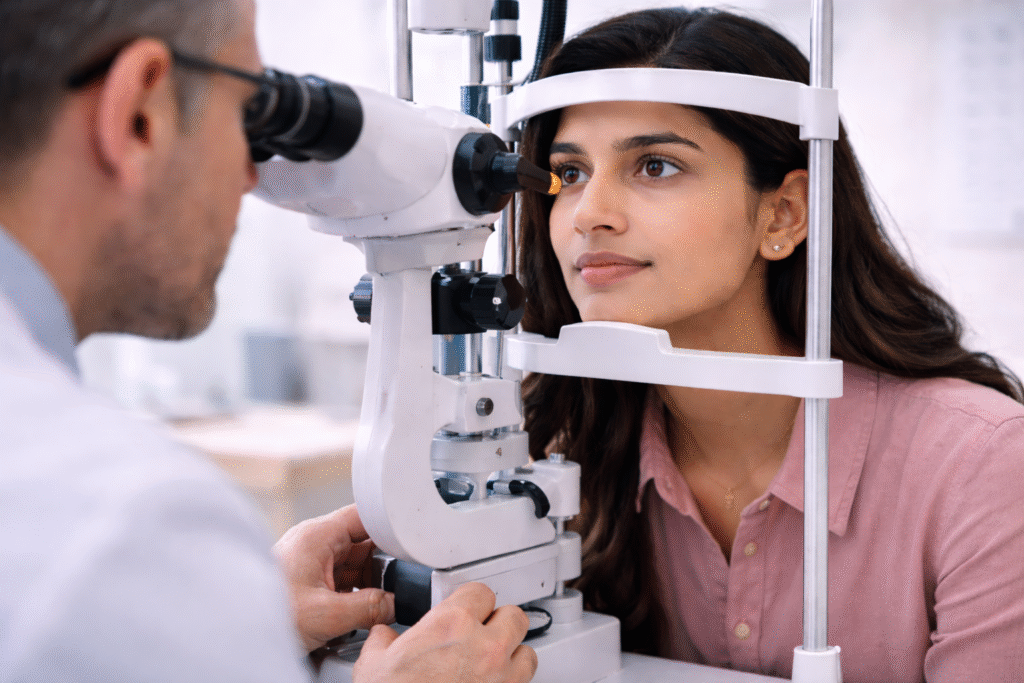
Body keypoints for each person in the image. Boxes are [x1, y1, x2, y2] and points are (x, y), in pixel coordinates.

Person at [0, 1, 537, 681]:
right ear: (139, 115)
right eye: (245, 114)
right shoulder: (125, 525)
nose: (251, 176)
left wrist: (238, 633)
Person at [517, 7, 1024, 682]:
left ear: (784, 214)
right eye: (570, 173)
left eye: (656, 166)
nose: (588, 214)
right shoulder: (556, 451)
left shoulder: (981, 465)